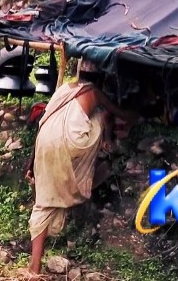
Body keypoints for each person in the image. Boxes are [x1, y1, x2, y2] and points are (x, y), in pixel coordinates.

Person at [28, 63, 130, 277]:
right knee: (101, 117)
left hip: (45, 143)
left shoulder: (64, 89)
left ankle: (34, 268)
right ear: (99, 79)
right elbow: (118, 112)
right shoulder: (94, 92)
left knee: (43, 203)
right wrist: (133, 117)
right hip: (70, 145)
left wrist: (31, 165)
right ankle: (105, 148)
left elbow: (44, 121)